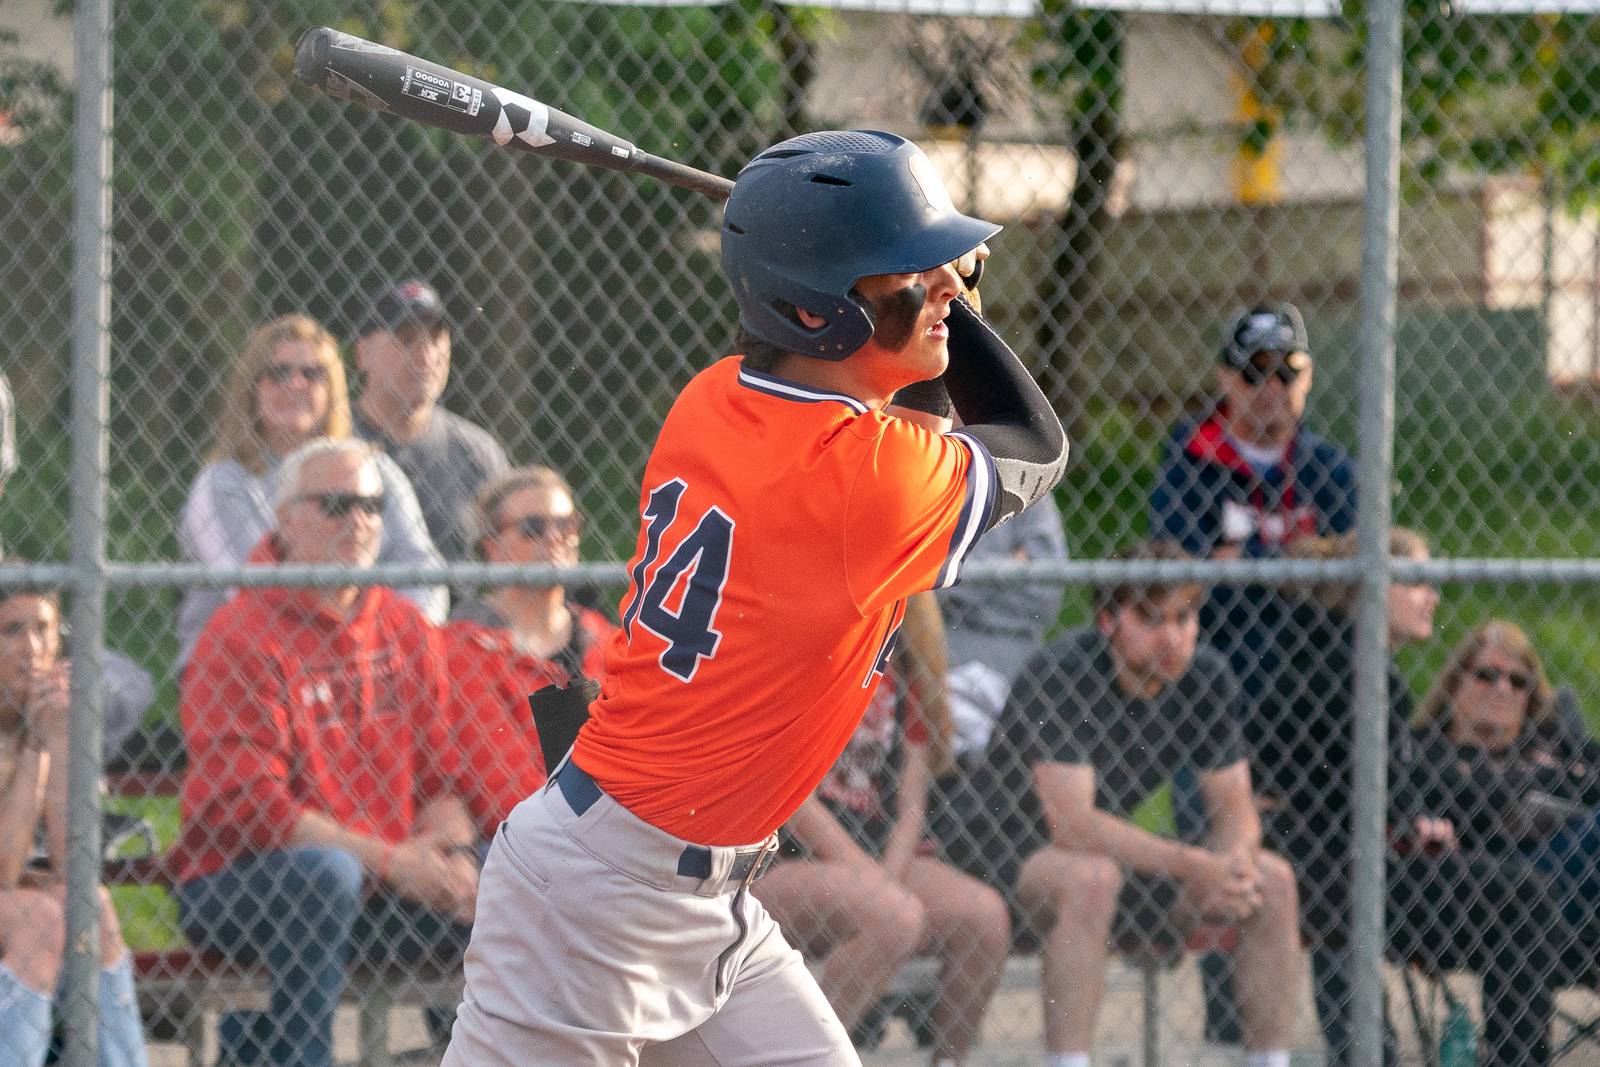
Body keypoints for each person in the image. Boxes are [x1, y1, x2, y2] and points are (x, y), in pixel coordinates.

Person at [442, 129, 1067, 1066]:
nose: (949, 286)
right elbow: (1031, 442)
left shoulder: (715, 397)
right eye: (914, 273)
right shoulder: (864, 485)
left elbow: (917, 413)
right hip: (594, 900)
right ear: (815, 313)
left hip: (699, 894)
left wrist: (913, 280)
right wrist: (955, 304)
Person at [175, 438, 477, 1067]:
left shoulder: (405, 627)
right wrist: (394, 861)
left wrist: (451, 856)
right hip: (242, 882)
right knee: (325, 877)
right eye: (336, 505)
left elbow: (441, 778)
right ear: (285, 519)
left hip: (380, 883)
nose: (359, 521)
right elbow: (258, 811)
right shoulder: (240, 634)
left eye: (371, 506)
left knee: (517, 876)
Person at [1253, 530, 1585, 1067]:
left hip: (1337, 859)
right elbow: (1357, 792)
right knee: (1525, 898)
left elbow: (1362, 786)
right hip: (1331, 870)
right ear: (1372, 589)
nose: (1432, 596)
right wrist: (1408, 819)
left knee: (1514, 893)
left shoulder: (1339, 651)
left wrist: (1410, 818)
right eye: (1416, 583)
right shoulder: (1354, 667)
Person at [972, 539, 1300, 1067]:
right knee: (1092, 880)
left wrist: (1233, 863)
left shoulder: (1206, 677)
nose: (1173, 637)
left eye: (1184, 618)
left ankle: (1271, 1061)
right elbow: (1073, 826)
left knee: (1273, 881)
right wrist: (1194, 864)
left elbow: (1235, 805)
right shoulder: (1063, 673)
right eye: (1151, 619)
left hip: (1119, 862)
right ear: (1108, 620)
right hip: (1007, 858)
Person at [1149, 301, 1356, 1041]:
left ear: (1308, 379)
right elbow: (1180, 586)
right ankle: (1234, 1038)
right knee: (1226, 869)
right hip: (1217, 694)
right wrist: (1300, 564)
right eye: (1254, 372)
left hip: (1317, 701)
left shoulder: (1329, 468)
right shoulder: (1190, 464)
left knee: (1328, 872)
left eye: (1287, 372)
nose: (1271, 389)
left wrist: (1244, 565)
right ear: (1225, 379)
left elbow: (1354, 582)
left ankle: (1350, 1041)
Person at [752, 664, 1010, 1067]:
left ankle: (948, 1062)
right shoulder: (801, 663)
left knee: (984, 917)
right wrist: (874, 883)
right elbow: (790, 797)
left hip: (870, 859)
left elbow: (911, 806)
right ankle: (802, 1060)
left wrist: (884, 877)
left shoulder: (900, 679)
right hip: (783, 859)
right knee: (894, 917)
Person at [177, 314, 444, 665]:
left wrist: (399, 640)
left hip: (376, 659)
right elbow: (254, 590)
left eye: (312, 373)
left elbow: (423, 572)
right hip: (252, 666)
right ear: (251, 388)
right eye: (278, 373)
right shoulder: (225, 482)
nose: (296, 384)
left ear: (332, 388)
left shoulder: (374, 471)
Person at [0, 580, 149, 1067]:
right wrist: (35, 749)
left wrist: (60, 741)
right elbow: (3, 872)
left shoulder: (49, 714)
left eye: (44, 629)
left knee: (90, 902)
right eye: (12, 631)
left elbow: (74, 863)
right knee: (38, 920)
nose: (33, 648)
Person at [444, 466, 616, 840]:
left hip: (621, 829)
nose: (555, 538)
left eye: (566, 524)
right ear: (492, 546)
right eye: (533, 528)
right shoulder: (464, 647)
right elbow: (502, 785)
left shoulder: (604, 638)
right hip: (528, 843)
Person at [1412, 622, 1600, 935]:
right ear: (1456, 680)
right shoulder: (1425, 747)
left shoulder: (1552, 743)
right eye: (1487, 675)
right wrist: (1560, 777)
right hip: (1489, 884)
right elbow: (1482, 804)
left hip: (1569, 878)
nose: (1502, 689)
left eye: (1518, 681)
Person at [350, 279, 511, 562]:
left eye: (436, 339)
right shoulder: (333, 440)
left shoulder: (477, 451)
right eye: (407, 339)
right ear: (363, 353)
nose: (426, 355)